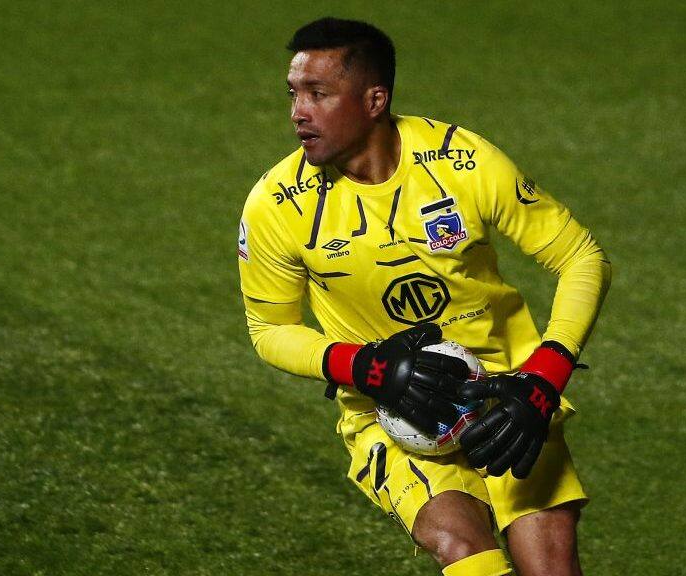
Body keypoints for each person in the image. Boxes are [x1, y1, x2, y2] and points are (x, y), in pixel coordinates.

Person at [238, 17, 610, 576]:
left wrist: (545, 377)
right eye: (293, 94)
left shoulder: (462, 161)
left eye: (318, 94)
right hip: (392, 413)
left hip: (509, 396)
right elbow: (269, 329)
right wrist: (367, 367)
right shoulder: (276, 204)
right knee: (464, 548)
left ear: (374, 100)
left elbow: (582, 257)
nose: (298, 112)